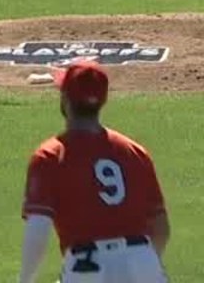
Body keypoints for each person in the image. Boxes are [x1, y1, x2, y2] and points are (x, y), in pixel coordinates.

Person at [19, 61, 171, 283]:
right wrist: (139, 264)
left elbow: (38, 229)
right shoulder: (134, 152)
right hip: (143, 263)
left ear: (65, 100)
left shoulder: (51, 155)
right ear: (103, 100)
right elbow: (161, 227)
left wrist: (25, 280)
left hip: (87, 267)